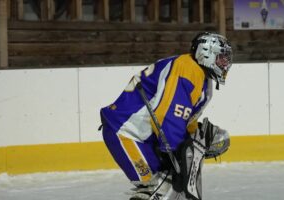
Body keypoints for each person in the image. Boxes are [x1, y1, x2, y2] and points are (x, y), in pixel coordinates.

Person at [99, 32, 232, 200]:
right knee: (158, 190)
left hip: (145, 137)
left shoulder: (201, 77)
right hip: (126, 132)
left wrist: (193, 136)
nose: (225, 63)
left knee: (166, 187)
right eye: (221, 57)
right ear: (206, 52)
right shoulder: (188, 68)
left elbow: (183, 116)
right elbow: (168, 114)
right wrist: (176, 151)